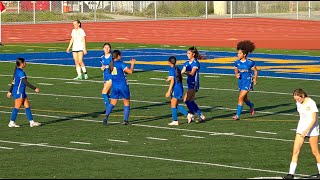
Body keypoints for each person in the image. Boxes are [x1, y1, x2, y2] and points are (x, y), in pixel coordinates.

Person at [283, 89, 320, 179]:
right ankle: (290, 174)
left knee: (315, 151)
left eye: (298, 99)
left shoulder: (311, 103)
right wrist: (302, 130)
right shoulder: (298, 103)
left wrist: (306, 131)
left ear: (302, 96)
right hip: (301, 128)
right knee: (295, 151)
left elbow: (314, 119)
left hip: (312, 129)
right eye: (295, 99)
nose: (297, 101)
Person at [103, 50, 136, 126]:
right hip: (123, 85)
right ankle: (125, 120)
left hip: (115, 86)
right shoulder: (120, 63)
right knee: (126, 102)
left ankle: (106, 118)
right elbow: (130, 72)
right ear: (118, 56)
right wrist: (132, 64)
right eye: (120, 55)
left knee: (112, 103)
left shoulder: (111, 64)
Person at [6, 58, 41, 128]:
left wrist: (10, 91)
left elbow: (13, 82)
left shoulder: (18, 71)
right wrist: (34, 88)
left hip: (21, 91)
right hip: (19, 92)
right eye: (25, 62)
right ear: (21, 64)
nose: (26, 63)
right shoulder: (20, 72)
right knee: (17, 107)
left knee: (27, 106)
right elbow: (25, 82)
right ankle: (11, 122)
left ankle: (31, 122)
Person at [232, 40, 258, 120]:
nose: (238, 55)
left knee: (240, 97)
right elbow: (235, 69)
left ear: (244, 54)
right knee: (245, 98)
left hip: (248, 81)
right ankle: (251, 105)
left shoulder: (250, 62)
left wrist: (255, 79)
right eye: (238, 53)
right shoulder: (237, 62)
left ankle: (237, 115)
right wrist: (236, 74)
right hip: (241, 81)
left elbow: (255, 70)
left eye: (240, 53)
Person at [181, 46, 206, 124]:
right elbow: (182, 71)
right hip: (189, 83)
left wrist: (184, 72)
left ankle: (192, 114)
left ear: (193, 54)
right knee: (191, 100)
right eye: (187, 53)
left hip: (194, 84)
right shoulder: (187, 62)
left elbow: (192, 73)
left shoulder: (196, 63)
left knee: (186, 99)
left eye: (189, 53)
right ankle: (201, 116)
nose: (187, 55)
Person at [165, 56, 189, 126]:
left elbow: (172, 81)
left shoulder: (171, 70)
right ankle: (188, 115)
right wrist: (169, 78)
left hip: (176, 89)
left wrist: (168, 91)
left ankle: (175, 120)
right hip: (179, 88)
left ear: (169, 62)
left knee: (173, 104)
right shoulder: (177, 68)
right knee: (175, 104)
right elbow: (175, 77)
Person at [100, 43, 113, 113]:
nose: (107, 49)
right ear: (103, 48)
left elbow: (114, 66)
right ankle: (113, 102)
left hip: (111, 76)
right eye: (105, 47)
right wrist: (102, 68)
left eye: (108, 48)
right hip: (105, 76)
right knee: (107, 94)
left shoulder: (112, 57)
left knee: (104, 92)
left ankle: (108, 109)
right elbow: (102, 66)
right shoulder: (102, 57)